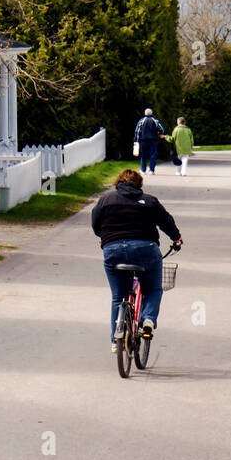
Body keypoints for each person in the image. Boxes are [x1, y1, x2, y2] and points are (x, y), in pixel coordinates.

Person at [90, 168, 182, 353]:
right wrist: (176, 238)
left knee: (118, 297)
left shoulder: (105, 200)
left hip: (113, 250)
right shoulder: (149, 201)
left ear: (118, 183)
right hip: (145, 250)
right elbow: (166, 221)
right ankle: (147, 319)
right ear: (139, 185)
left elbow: (96, 225)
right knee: (153, 288)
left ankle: (116, 340)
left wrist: (108, 237)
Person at [133, 108, 165, 174]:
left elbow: (137, 131)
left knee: (143, 155)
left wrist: (136, 140)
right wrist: (159, 133)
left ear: (145, 113)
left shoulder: (142, 121)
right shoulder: (155, 121)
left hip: (144, 140)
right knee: (153, 155)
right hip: (153, 140)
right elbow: (161, 129)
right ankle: (151, 170)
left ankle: (143, 170)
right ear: (152, 113)